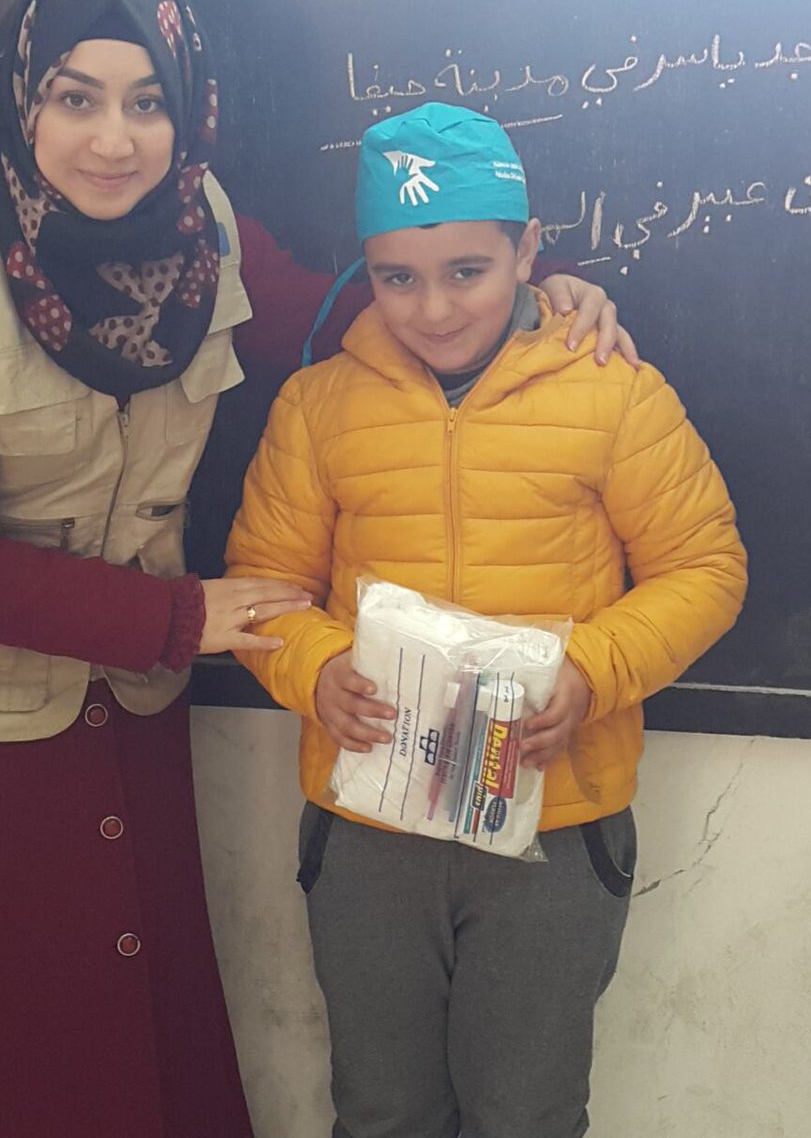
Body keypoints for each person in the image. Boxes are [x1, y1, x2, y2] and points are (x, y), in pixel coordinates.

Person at [0, 0, 635, 1138]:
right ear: (22, 98)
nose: (115, 139)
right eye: (76, 97)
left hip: (119, 717)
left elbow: (354, 312)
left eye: (147, 101)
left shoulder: (201, 229)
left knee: (106, 1036)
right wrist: (182, 617)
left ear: (187, 111)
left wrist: (538, 291)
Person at [226, 101, 747, 1138]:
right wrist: (315, 668)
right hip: (372, 828)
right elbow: (264, 584)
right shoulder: (318, 407)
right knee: (381, 1111)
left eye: (467, 270)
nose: (432, 308)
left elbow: (705, 568)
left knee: (527, 1115)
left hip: (556, 824)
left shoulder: (615, 394)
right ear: (367, 271)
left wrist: (592, 669)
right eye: (397, 278)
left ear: (528, 251)